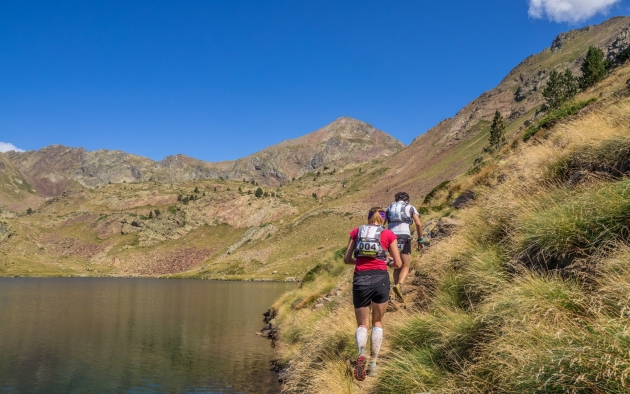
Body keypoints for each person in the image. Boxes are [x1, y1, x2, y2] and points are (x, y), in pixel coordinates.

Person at [344, 207, 402, 381]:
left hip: (360, 278)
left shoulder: (356, 231)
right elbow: (398, 263)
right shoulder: (388, 234)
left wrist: (360, 260)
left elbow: (347, 259)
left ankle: (361, 352)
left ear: (368, 218)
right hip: (380, 279)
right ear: (383, 220)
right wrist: (387, 262)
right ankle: (374, 364)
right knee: (377, 321)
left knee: (362, 324)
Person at [385, 192, 424, 303]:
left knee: (397, 265)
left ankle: (397, 293)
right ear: (407, 199)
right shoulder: (410, 207)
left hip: (390, 237)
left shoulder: (389, 207)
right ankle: (399, 286)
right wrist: (420, 239)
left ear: (396, 199)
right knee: (406, 265)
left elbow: (381, 224)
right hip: (404, 237)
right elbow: (418, 224)